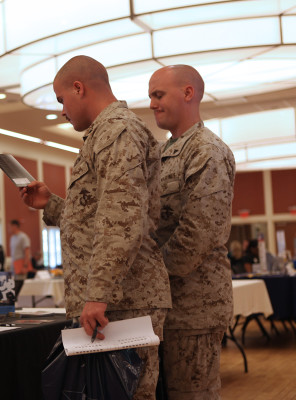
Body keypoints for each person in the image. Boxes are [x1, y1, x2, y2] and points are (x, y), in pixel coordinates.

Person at [21, 55, 171, 399]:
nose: (62, 111)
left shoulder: (118, 131)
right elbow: (95, 216)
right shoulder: (103, 134)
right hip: (114, 299)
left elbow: (121, 219)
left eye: (62, 100)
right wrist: (52, 204)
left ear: (79, 87)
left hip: (123, 299)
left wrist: (98, 294)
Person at [148, 64, 235, 399]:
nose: (152, 104)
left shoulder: (207, 151)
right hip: (162, 307)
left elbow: (196, 238)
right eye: (151, 96)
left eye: (159, 95)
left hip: (194, 309)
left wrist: (145, 274)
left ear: (188, 93)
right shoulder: (160, 154)